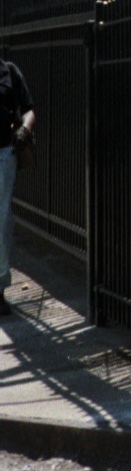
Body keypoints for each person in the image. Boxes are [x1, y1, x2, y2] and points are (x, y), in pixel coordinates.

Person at [0, 56, 35, 317]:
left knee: (1, 219)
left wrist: (24, 128)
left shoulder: (9, 71)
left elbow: (29, 108)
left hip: (4, 153)